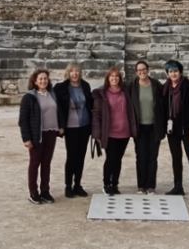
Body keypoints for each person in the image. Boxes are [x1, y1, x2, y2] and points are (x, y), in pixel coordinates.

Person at [18, 68, 61, 205]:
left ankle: (45, 191)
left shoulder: (52, 94)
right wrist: (26, 138)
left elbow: (58, 112)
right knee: (35, 163)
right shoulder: (29, 97)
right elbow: (23, 120)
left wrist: (60, 126)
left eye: (45, 79)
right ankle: (33, 193)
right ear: (35, 81)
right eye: (40, 79)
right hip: (37, 134)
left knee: (46, 163)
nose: (43, 81)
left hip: (51, 133)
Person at [161, 59, 189, 200]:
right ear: (167, 73)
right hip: (173, 128)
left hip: (187, 127)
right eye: (170, 71)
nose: (173, 74)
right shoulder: (165, 88)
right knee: (176, 158)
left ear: (180, 72)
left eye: (176, 71)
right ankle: (178, 186)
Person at [91, 65, 133, 196]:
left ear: (120, 78)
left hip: (124, 132)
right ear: (108, 78)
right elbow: (97, 113)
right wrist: (96, 133)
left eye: (116, 76)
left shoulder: (125, 91)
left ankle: (115, 184)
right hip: (110, 132)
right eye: (111, 76)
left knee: (118, 159)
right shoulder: (102, 93)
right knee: (110, 159)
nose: (114, 78)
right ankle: (106, 184)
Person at [53, 63, 93, 198]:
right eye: (72, 71)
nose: (75, 74)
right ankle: (68, 186)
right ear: (68, 73)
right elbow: (56, 108)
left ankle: (78, 185)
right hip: (70, 128)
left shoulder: (85, 86)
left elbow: (91, 105)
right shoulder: (61, 88)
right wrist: (60, 125)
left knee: (81, 157)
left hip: (85, 126)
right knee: (71, 157)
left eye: (77, 71)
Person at [130, 59, 166, 194]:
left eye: (144, 69)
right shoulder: (132, 86)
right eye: (139, 70)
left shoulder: (156, 85)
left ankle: (151, 185)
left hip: (154, 127)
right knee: (140, 156)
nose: (142, 72)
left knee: (152, 157)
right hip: (139, 127)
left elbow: (162, 106)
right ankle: (141, 185)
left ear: (147, 70)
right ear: (136, 72)